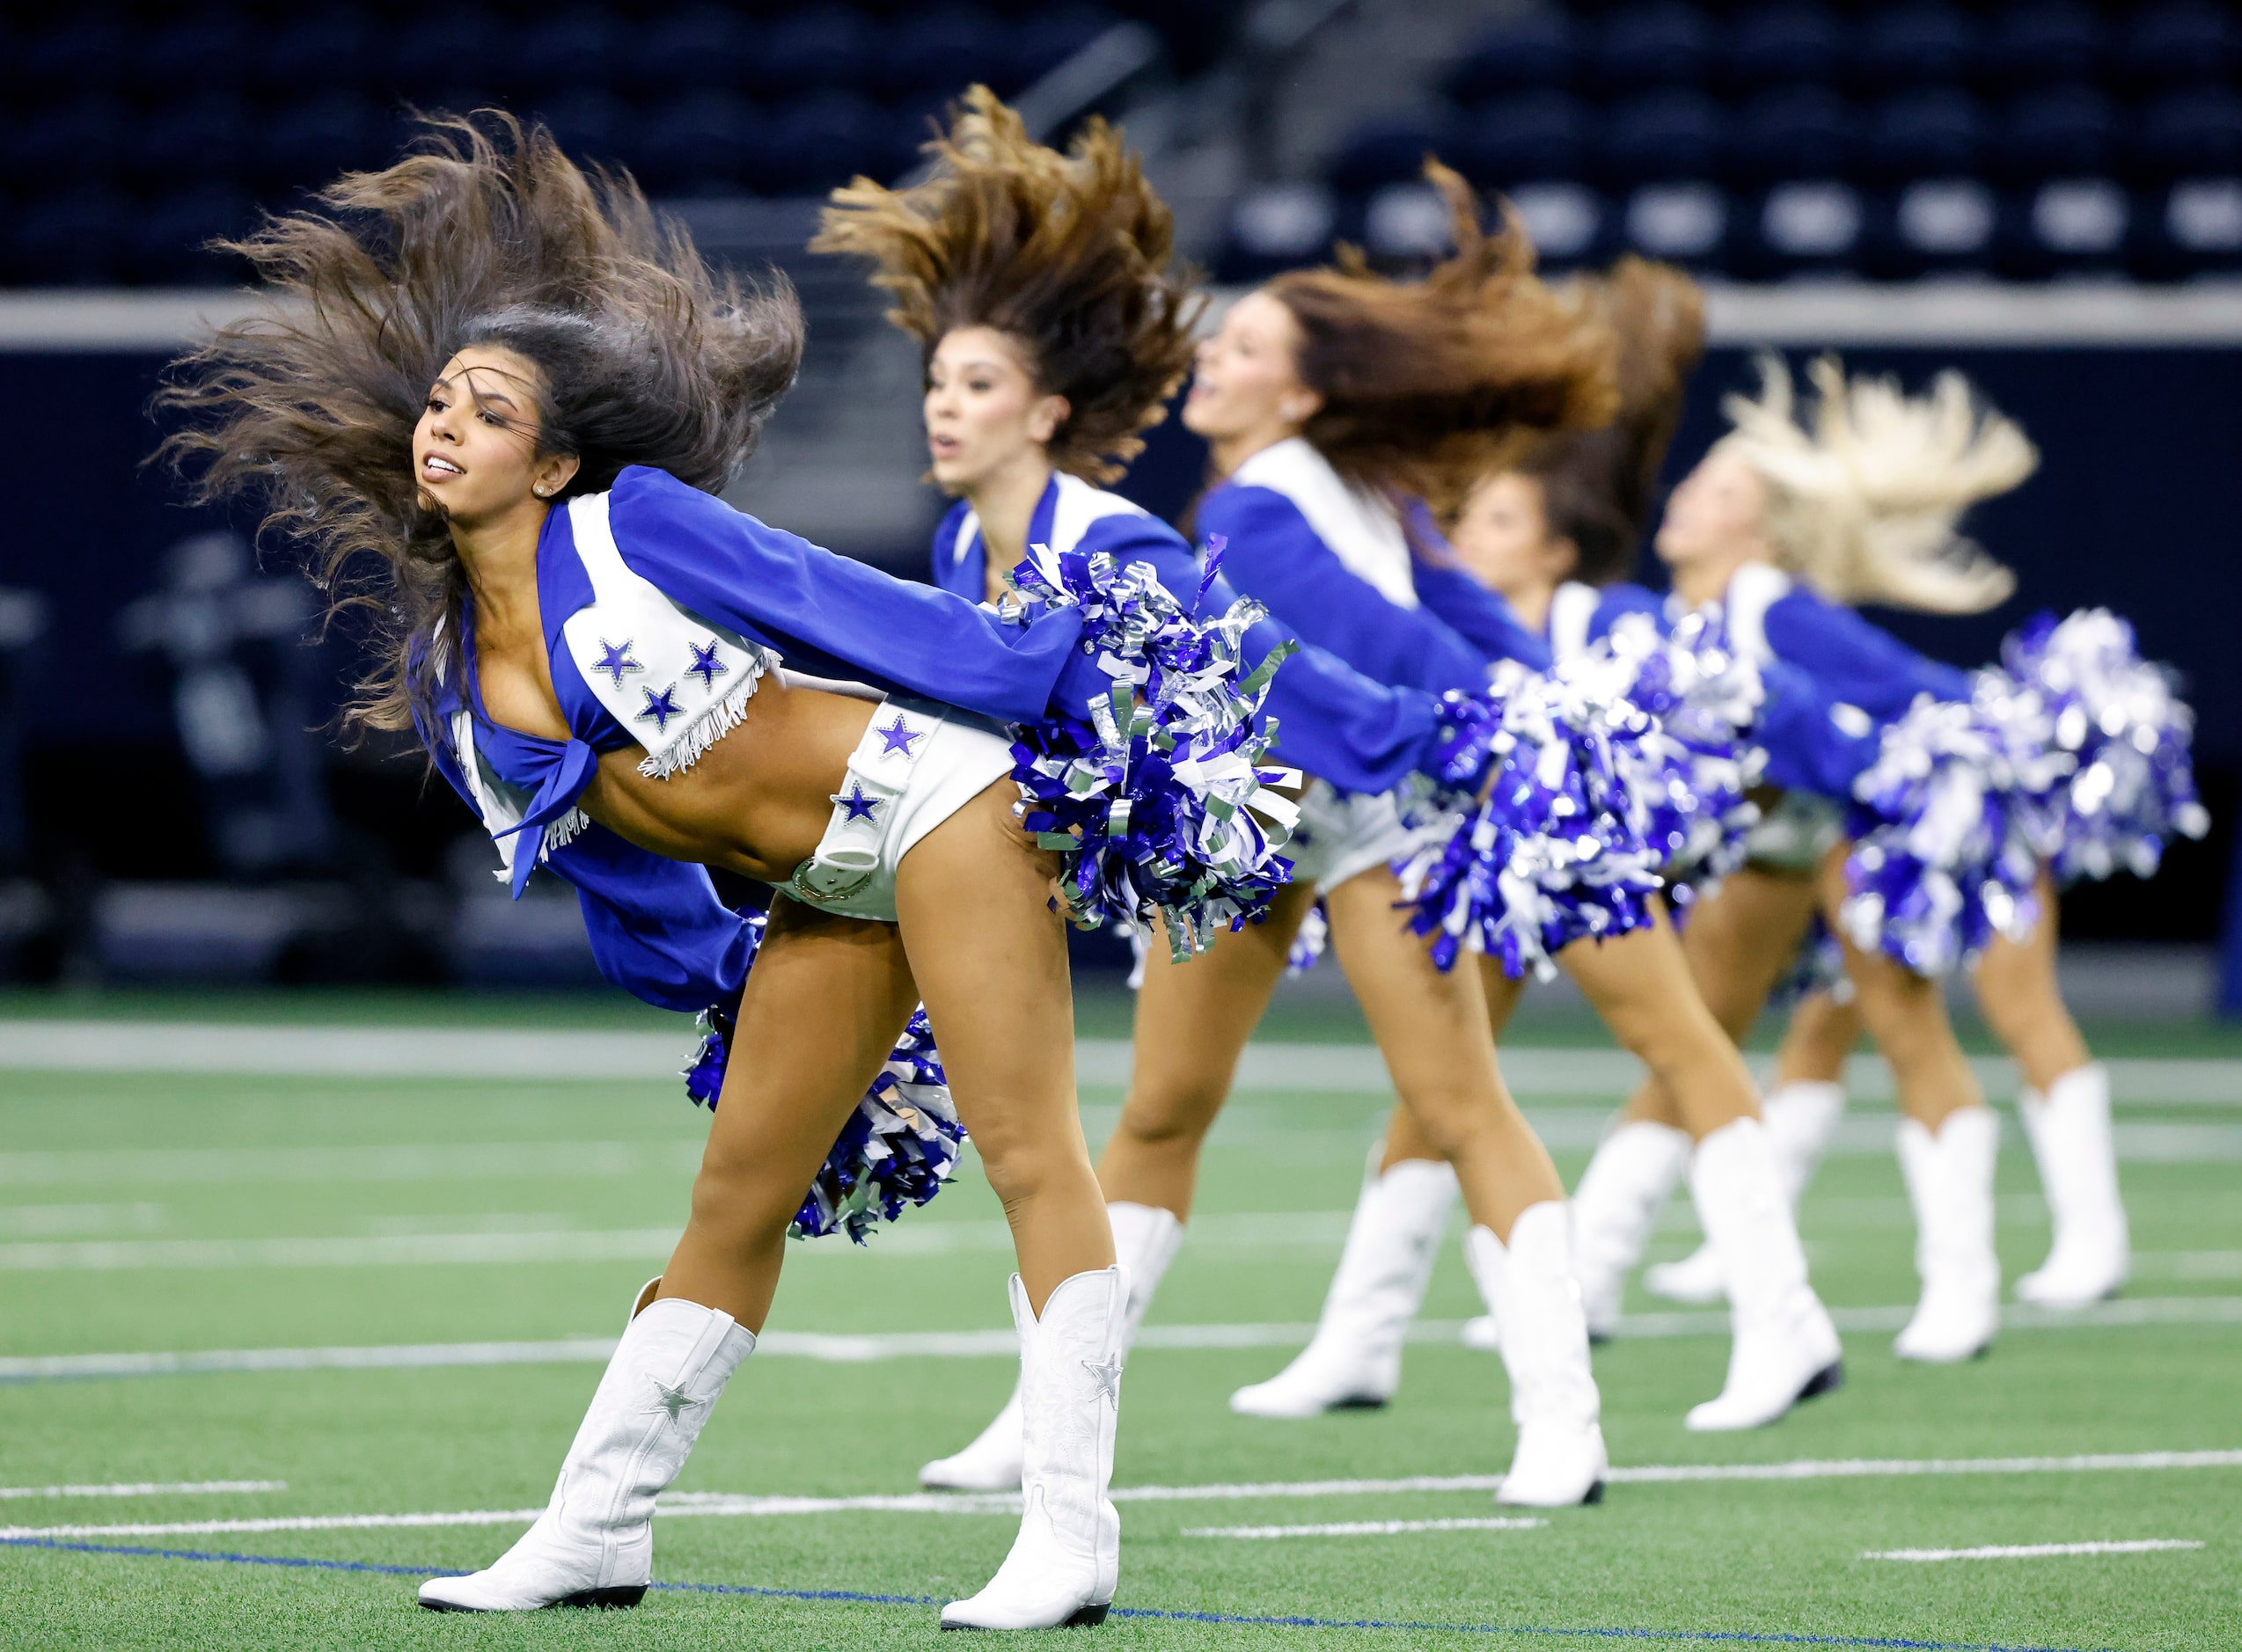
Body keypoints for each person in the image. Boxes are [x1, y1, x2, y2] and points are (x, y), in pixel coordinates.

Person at [158, 113, 1282, 1630]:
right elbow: (615, 871)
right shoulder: (450, 677)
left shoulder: (636, 525)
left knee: (1031, 1152)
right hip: (821, 897)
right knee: (731, 1201)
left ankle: (1070, 1533)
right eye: (437, 405)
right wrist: (721, 987)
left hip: (936, 799)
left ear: (550, 459)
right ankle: (592, 1527)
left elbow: (844, 610)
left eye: (484, 413)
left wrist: (1032, 666)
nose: (442, 428)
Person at [829, 107, 1618, 1507]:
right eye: (935, 384)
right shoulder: (984, 536)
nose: (942, 407)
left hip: (1367, 809)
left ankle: (1563, 1419)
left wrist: (1469, 724)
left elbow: (1279, 664)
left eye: (974, 383)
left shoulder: (1182, 524)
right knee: (1162, 1109)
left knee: (1455, 1098)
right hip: (1243, 839)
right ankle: (1044, 1420)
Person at [1206, 238, 1842, 1434]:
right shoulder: (1376, 509)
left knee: (1674, 1037)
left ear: (1554, 542)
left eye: (1502, 515)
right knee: (1443, 1082)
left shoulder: (1590, 621)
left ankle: (1783, 1311)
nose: (1478, 533)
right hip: (1470, 805)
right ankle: (1362, 1333)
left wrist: (1536, 718)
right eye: (1477, 511)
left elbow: (1416, 639)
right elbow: (1436, 622)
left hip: (1539, 800)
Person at [1583, 356, 2045, 1366]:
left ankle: (1960, 1286)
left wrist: (1957, 774)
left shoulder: (1771, 605)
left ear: (1763, 530)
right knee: (1690, 1034)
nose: (1690, 500)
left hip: (1871, 824)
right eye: (1697, 481)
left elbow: (1921, 693)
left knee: (1904, 1031)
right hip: (1779, 840)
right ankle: (1588, 1273)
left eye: (1720, 494)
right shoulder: (1675, 612)